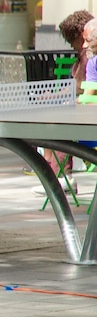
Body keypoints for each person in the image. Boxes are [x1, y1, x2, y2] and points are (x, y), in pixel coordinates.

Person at [29, 10, 94, 194]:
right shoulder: (85, 57)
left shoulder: (88, 58)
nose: (75, 46)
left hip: (88, 121)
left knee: (58, 124)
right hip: (84, 113)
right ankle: (54, 173)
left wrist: (58, 97)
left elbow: (82, 88)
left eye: (71, 40)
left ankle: (60, 177)